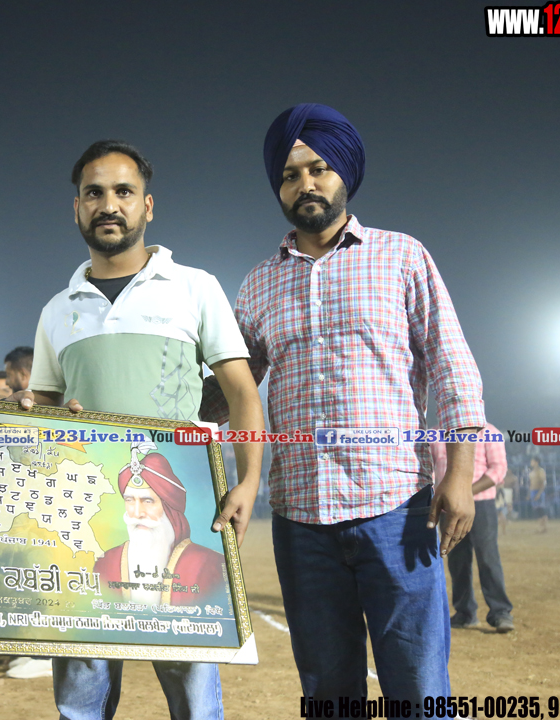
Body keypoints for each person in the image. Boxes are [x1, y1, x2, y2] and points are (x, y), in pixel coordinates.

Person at [201, 104, 483, 704]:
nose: (305, 184)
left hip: (397, 509)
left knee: (418, 688)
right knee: (328, 694)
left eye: (319, 169)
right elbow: (229, 392)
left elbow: (452, 366)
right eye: (290, 175)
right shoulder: (257, 284)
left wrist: (459, 473)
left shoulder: (401, 256)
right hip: (301, 520)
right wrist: (143, 392)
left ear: (344, 176)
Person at [20, 139, 265, 720]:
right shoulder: (57, 310)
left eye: (123, 192)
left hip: (183, 514)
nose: (109, 205)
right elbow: (45, 406)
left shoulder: (195, 287)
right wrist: (33, 411)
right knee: (81, 700)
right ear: (77, 208)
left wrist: (250, 481)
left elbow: (241, 391)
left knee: (195, 701)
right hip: (88, 527)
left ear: (147, 206)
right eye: (94, 193)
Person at [95, 443, 225, 606]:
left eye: (148, 501)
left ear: (169, 509)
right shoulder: (107, 562)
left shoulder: (208, 565)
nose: (137, 513)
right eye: (129, 500)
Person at [429, 422, 514, 632]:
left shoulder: (489, 432)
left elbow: (498, 469)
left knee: (487, 557)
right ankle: (465, 612)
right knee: (457, 560)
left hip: (481, 503)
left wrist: (464, 492)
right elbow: (431, 469)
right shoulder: (435, 434)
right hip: (449, 506)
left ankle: (500, 612)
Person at [528, 456, 548, 533]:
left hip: (538, 491)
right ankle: (541, 527)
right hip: (533, 491)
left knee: (541, 510)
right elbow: (531, 483)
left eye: (532, 461)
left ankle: (544, 527)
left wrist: (539, 493)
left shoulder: (540, 471)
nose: (531, 463)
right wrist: (529, 493)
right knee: (537, 510)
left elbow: (543, 482)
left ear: (536, 462)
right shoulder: (532, 472)